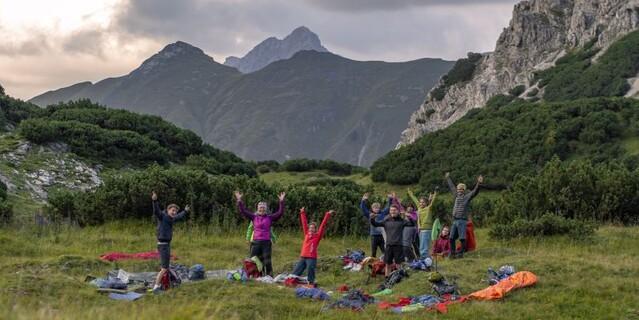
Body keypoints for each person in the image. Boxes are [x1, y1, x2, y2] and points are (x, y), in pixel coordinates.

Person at [235, 191, 286, 276]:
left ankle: (269, 277)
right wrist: (239, 200)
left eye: (263, 208)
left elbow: (280, 213)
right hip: (255, 243)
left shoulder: (270, 218)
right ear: (257, 209)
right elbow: (243, 211)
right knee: (253, 260)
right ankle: (254, 276)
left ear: (266, 209)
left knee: (267, 262)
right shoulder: (254, 217)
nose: (262, 209)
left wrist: (281, 201)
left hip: (266, 243)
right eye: (260, 208)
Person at [151, 191, 189, 292]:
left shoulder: (171, 219)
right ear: (168, 210)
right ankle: (156, 287)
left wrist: (185, 211)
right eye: (172, 210)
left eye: (175, 211)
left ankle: (163, 282)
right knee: (164, 268)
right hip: (163, 246)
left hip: (166, 245)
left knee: (165, 267)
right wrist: (154, 201)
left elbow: (179, 216)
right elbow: (156, 211)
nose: (174, 212)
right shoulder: (163, 217)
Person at [370, 204, 415, 277]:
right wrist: (372, 219)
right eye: (391, 210)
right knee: (388, 264)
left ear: (398, 211)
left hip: (398, 245)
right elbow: (375, 224)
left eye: (394, 210)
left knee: (398, 264)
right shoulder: (386, 220)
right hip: (388, 245)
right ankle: (387, 278)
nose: (393, 212)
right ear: (389, 211)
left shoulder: (402, 221)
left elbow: (412, 224)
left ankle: (398, 278)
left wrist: (410, 217)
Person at [445, 172, 483, 258]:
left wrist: (479, 183)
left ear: (464, 190)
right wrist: (448, 178)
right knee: (451, 238)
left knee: (462, 238)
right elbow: (451, 187)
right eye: (459, 189)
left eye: (461, 189)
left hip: (462, 220)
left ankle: (461, 253)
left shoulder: (467, 196)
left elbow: (474, 192)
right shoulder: (455, 195)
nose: (460, 190)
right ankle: (453, 253)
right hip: (454, 220)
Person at [291, 207, 333, 285]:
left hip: (311, 257)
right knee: (297, 270)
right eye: (310, 227)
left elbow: (323, 225)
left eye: (313, 228)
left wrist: (327, 214)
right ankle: (292, 281)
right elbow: (304, 223)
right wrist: (302, 213)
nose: (311, 229)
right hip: (303, 256)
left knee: (310, 270)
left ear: (315, 229)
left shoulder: (317, 236)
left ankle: (311, 283)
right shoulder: (306, 233)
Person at [407, 188, 437, 259]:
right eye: (420, 202)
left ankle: (426, 261)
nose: (421, 203)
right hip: (421, 230)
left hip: (427, 230)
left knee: (425, 247)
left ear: (426, 203)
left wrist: (435, 193)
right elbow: (414, 199)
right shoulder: (419, 208)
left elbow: (433, 202)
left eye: (423, 202)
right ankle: (426, 259)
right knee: (421, 247)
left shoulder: (428, 209)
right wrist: (410, 193)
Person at [360, 193, 392, 257]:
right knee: (373, 252)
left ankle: (386, 263)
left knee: (385, 251)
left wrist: (390, 199)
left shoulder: (382, 213)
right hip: (374, 236)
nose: (376, 209)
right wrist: (363, 200)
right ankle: (372, 265)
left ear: (380, 208)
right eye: (375, 208)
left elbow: (388, 207)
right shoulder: (370, 214)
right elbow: (363, 208)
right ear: (372, 208)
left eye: (378, 208)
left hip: (382, 236)